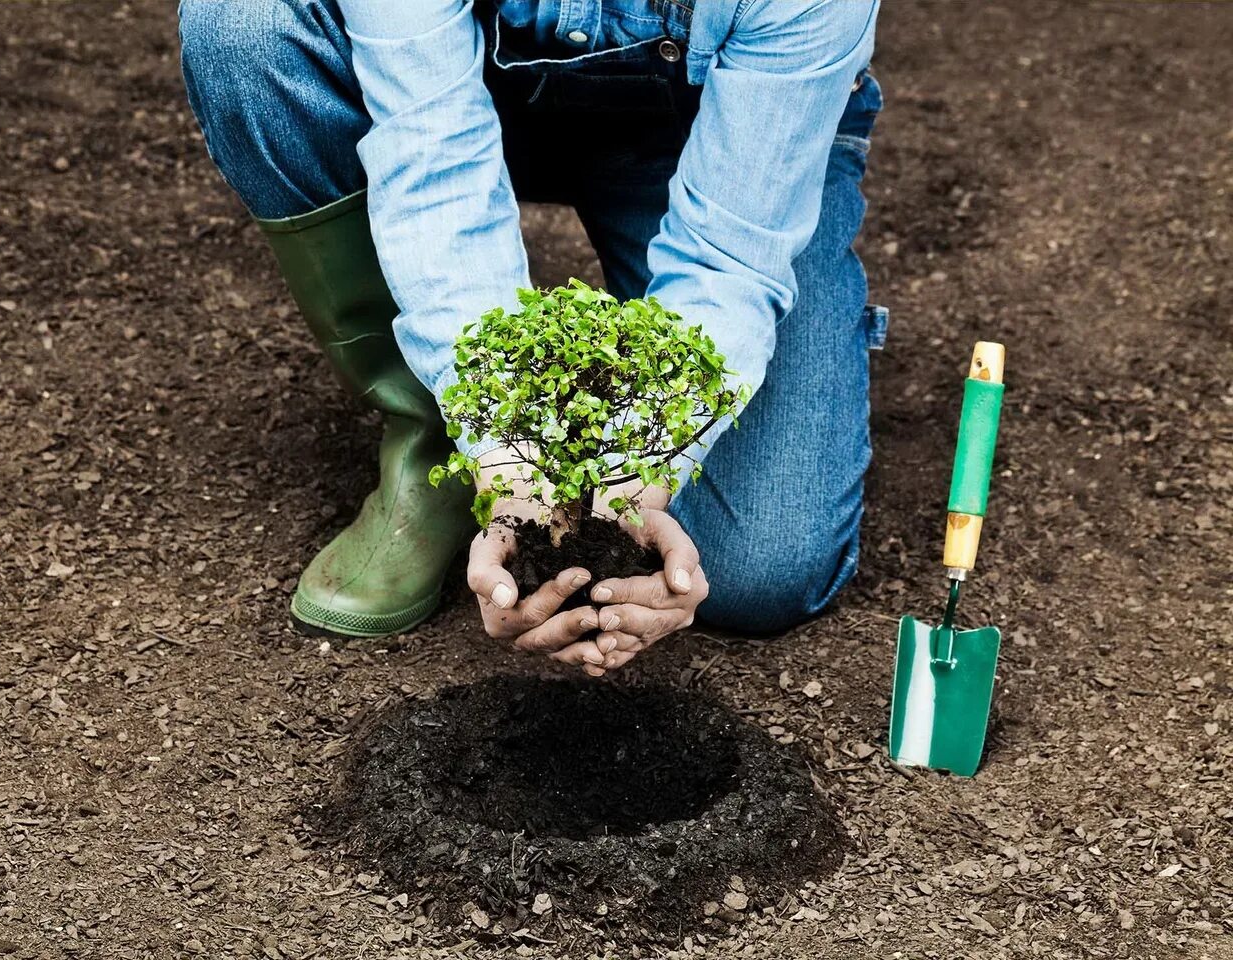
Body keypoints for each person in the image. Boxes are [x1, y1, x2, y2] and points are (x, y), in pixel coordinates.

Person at [178, 0, 887, 675]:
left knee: (758, 568)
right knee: (242, 23)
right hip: (464, 87)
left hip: (713, 125)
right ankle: (434, 444)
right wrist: (503, 451)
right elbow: (434, 164)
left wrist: (637, 475)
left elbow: (727, 257)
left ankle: (584, 418)